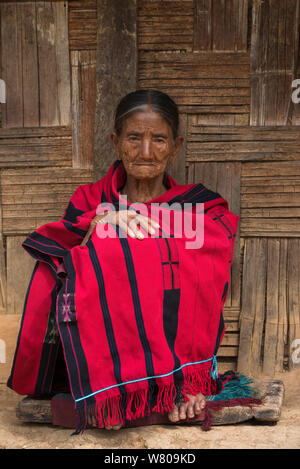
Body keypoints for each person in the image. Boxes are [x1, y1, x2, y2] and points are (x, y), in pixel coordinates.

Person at [7, 90, 239, 433]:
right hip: (103, 352)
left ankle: (178, 384)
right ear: (116, 142)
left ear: (176, 146)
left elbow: (211, 267)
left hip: (181, 357)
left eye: (159, 139)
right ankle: (114, 390)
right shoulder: (90, 200)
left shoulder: (200, 208)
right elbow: (61, 263)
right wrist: (101, 223)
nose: (146, 152)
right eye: (134, 137)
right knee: (103, 249)